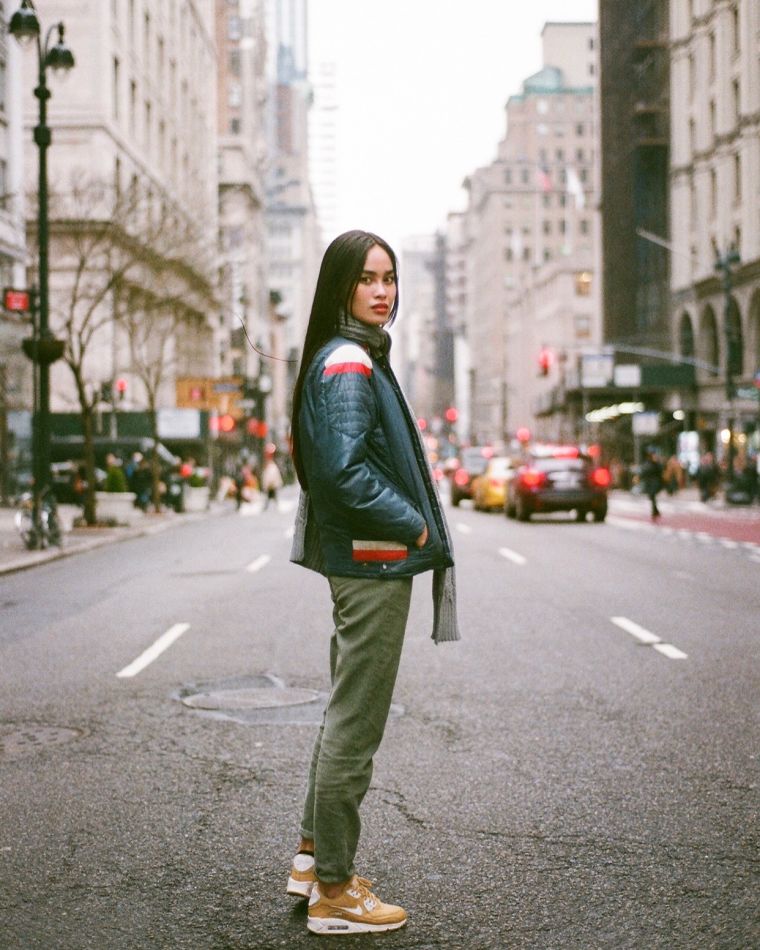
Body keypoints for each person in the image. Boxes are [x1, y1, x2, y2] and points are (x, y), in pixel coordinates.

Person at [287, 230, 459, 936]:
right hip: (374, 561)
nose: (382, 291)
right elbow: (341, 471)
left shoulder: (351, 354)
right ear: (341, 286)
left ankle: (311, 861)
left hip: (365, 559)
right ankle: (334, 891)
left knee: (343, 714)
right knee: (356, 725)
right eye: (366, 279)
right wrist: (413, 524)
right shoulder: (350, 361)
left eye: (389, 278)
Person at [640, 448, 663, 520]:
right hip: (649, 483)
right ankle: (656, 511)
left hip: (654, 483)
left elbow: (660, 472)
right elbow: (644, 472)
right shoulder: (647, 463)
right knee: (651, 497)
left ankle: (654, 512)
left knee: (652, 496)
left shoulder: (656, 464)